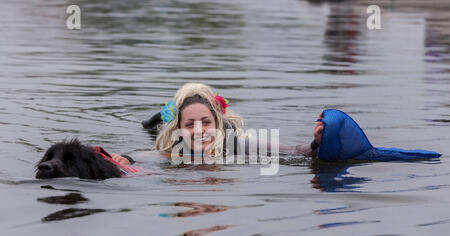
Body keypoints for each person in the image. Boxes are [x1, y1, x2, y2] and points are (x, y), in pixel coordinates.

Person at [112, 83, 323, 164]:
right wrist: (126, 159)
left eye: (205, 122)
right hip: (169, 126)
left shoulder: (235, 144)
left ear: (217, 124)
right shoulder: (175, 148)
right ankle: (158, 119)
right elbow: (147, 156)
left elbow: (297, 150)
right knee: (155, 127)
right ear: (177, 130)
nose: (198, 131)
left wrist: (315, 142)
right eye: (189, 124)